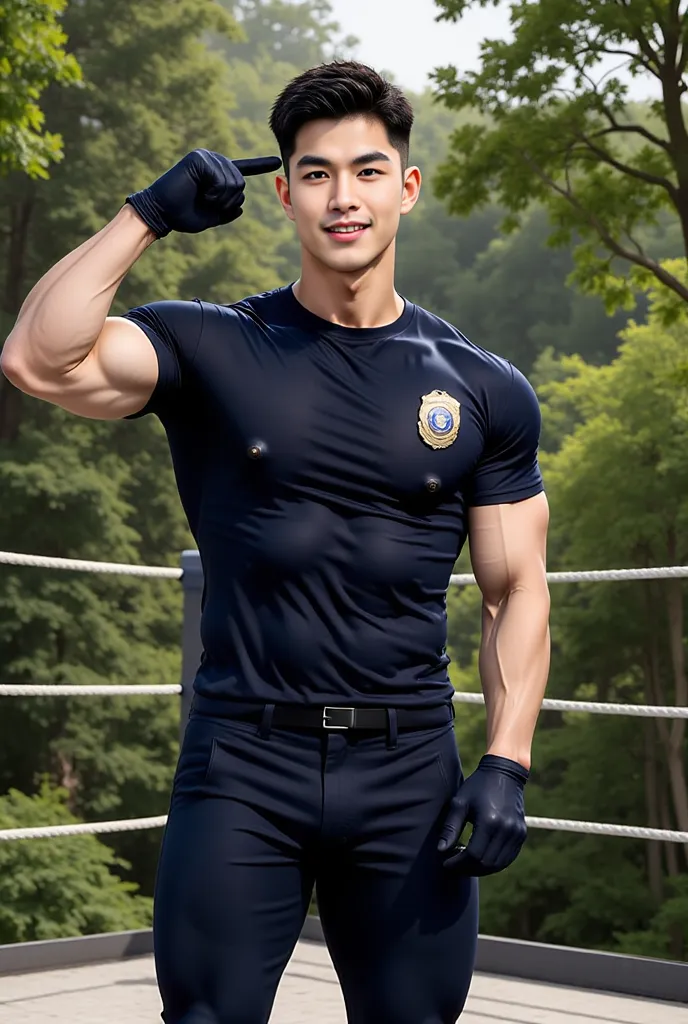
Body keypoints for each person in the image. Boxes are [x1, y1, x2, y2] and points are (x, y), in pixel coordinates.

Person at [1, 60, 550, 1024]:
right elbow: (36, 359)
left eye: (369, 170)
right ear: (284, 190)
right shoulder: (211, 347)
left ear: (408, 187)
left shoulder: (482, 386)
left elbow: (515, 590)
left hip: (409, 768)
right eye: (317, 172)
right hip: (241, 765)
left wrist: (505, 762)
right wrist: (145, 215)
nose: (345, 197)